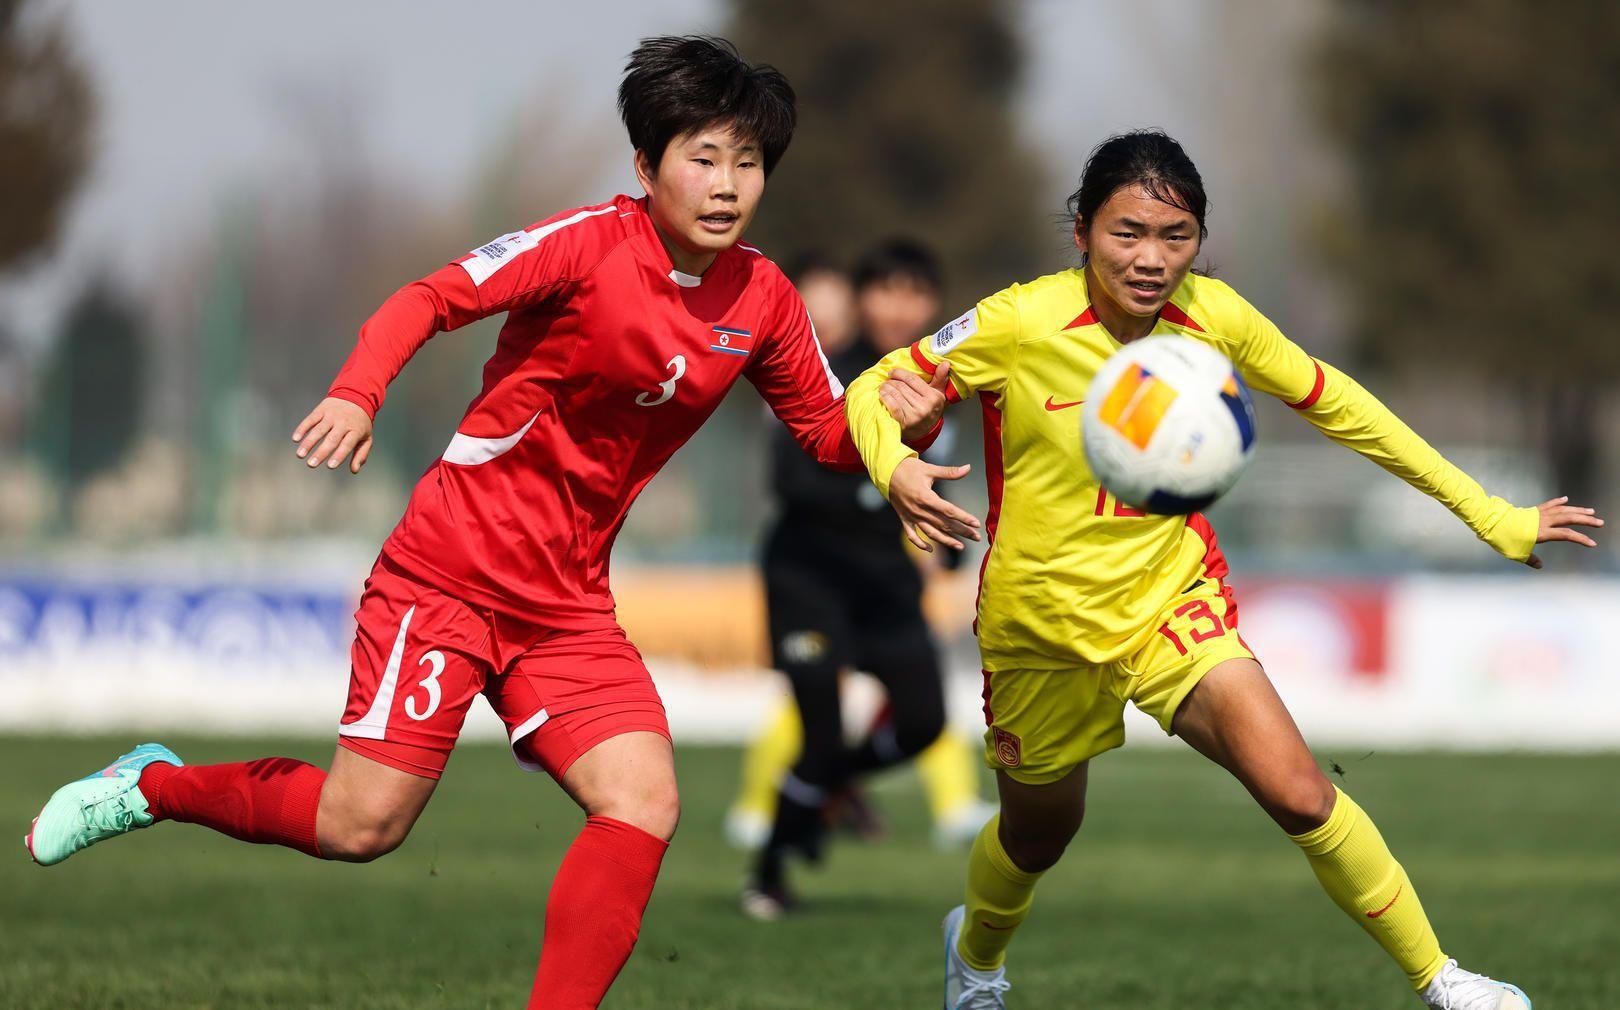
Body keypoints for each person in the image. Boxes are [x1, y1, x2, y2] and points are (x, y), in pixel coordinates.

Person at [23, 36, 949, 1010]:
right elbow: (433, 297)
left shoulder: (762, 296)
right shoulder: (588, 244)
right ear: (646, 166)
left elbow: (825, 428)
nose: (727, 185)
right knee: (360, 826)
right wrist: (358, 391)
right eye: (704, 157)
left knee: (643, 800)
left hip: (568, 605)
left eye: (748, 162)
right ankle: (151, 785)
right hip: (447, 576)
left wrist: (907, 436)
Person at [843, 130, 1602, 1010]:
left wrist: (1489, 512)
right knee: (1037, 837)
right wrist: (895, 463)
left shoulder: (1217, 317)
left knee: (1300, 792)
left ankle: (1442, 979)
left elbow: (1340, 403)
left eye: (1177, 236)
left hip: (1170, 604)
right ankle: (975, 959)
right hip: (1038, 626)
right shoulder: (1019, 322)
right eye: (1128, 233)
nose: (1152, 259)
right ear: (1082, 230)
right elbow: (872, 389)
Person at [739, 241, 995, 920]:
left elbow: (934, 476)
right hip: (810, 580)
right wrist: (880, 485)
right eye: (886, 289)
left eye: (916, 292)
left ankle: (834, 786)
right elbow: (790, 480)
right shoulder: (821, 373)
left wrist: (945, 541)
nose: (900, 307)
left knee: (923, 723)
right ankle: (768, 875)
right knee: (818, 735)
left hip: (885, 585)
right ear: (861, 297)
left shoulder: (938, 386)